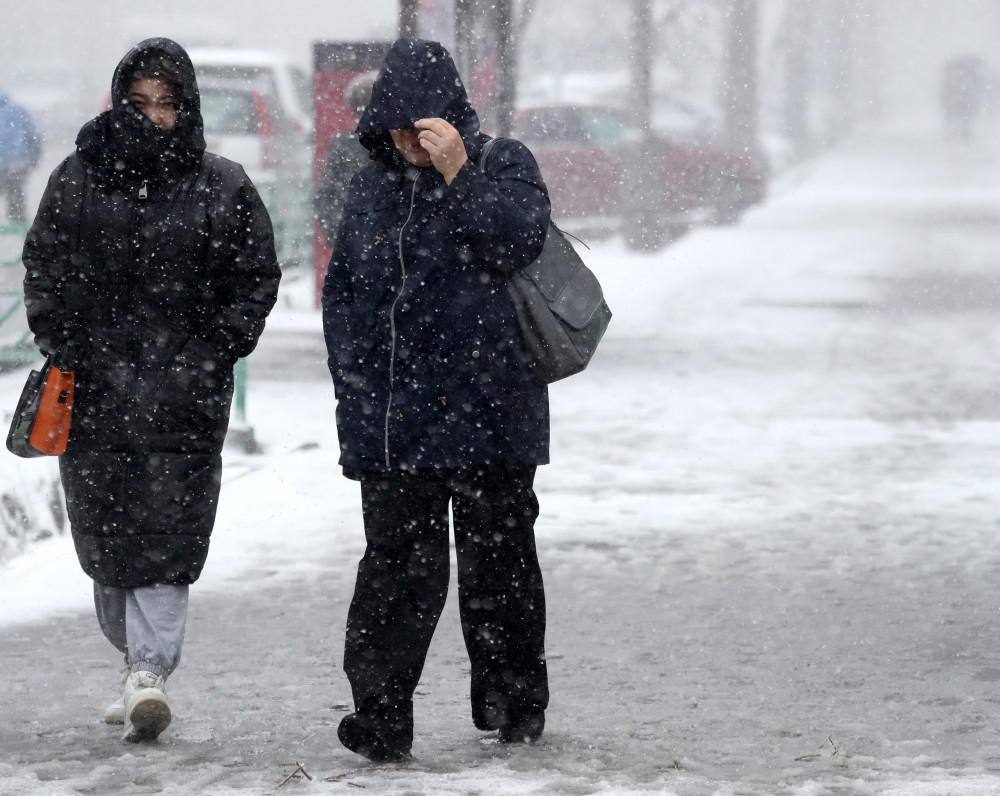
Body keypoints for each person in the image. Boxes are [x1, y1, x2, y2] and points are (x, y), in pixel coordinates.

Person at [21, 38, 281, 743]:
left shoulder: (221, 185)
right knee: (105, 547)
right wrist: (62, 339)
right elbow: (42, 261)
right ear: (117, 101)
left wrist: (214, 351)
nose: (155, 117)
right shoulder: (77, 178)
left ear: (187, 107)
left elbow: (256, 274)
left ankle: (149, 673)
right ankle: (133, 662)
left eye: (168, 103)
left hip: (181, 397)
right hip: (97, 390)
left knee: (167, 541)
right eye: (140, 103)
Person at [322, 38, 552, 762]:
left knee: (501, 568)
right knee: (395, 573)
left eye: (421, 125)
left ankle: (514, 703)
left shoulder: (502, 164)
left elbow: (517, 241)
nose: (408, 140)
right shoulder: (369, 187)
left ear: (450, 117)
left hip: (493, 412)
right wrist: (354, 405)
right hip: (397, 423)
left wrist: (459, 174)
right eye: (394, 126)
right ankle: (381, 719)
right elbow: (346, 304)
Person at [314, 71, 377, 245]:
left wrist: (341, 235)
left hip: (355, 246)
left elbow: (325, 196)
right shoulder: (403, 144)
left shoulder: (343, 144)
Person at [0, 92, 41, 222]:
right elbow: (33, 136)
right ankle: (18, 223)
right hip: (17, 161)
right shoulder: (18, 110)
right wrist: (34, 159)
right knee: (15, 192)